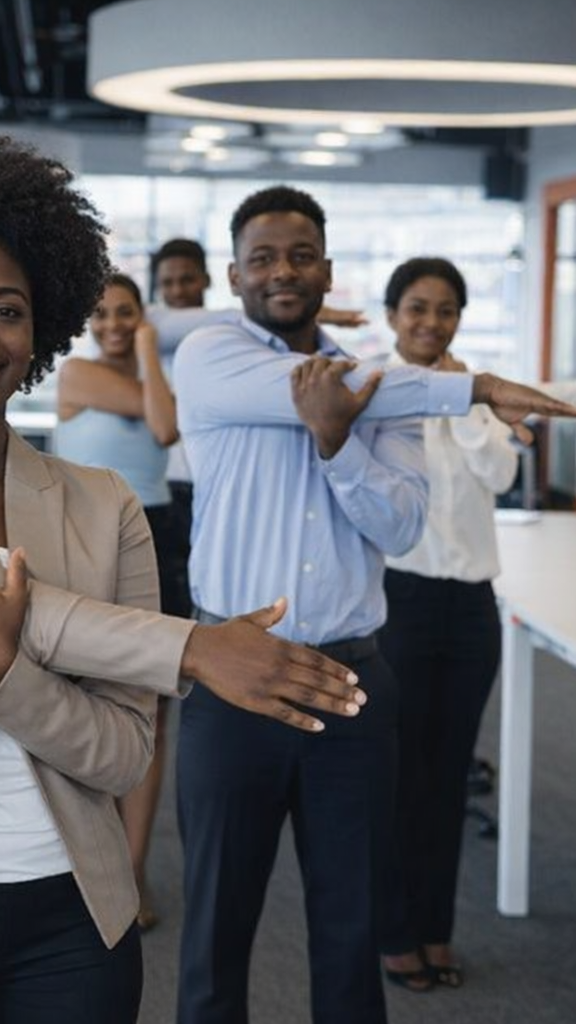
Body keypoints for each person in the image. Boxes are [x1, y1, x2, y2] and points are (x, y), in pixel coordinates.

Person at [0, 136, 368, 1024]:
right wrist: (193, 648)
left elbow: (124, 753)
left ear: (41, 330)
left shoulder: (107, 505)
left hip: (71, 925)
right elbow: (5, 612)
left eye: (7, 310)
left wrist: (0, 667)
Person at [170, 185, 576, 1024]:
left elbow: (398, 524)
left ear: (327, 268)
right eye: (262, 258)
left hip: (350, 683)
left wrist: (335, 442)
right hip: (234, 677)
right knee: (216, 929)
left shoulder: (383, 397)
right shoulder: (213, 355)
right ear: (236, 275)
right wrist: (475, 387)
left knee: (351, 928)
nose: (282, 271)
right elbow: (324, 384)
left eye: (300, 255)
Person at [377, 257, 519, 991]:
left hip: (470, 608)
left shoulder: (478, 395)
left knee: (448, 781)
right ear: (393, 314)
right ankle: (397, 932)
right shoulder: (371, 387)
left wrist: (464, 401)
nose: (430, 323)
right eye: (417, 309)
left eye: (445, 311)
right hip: (399, 601)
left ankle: (437, 929)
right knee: (401, 778)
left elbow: (502, 476)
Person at [54, 272, 178, 931]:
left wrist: (152, 348)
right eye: (99, 313)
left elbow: (164, 427)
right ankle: (73, 861)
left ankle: (131, 870)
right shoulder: (75, 373)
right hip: (82, 543)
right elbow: (163, 421)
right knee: (74, 705)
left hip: (156, 539)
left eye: (125, 313)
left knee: (146, 716)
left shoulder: (158, 372)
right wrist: (153, 354)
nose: (112, 324)